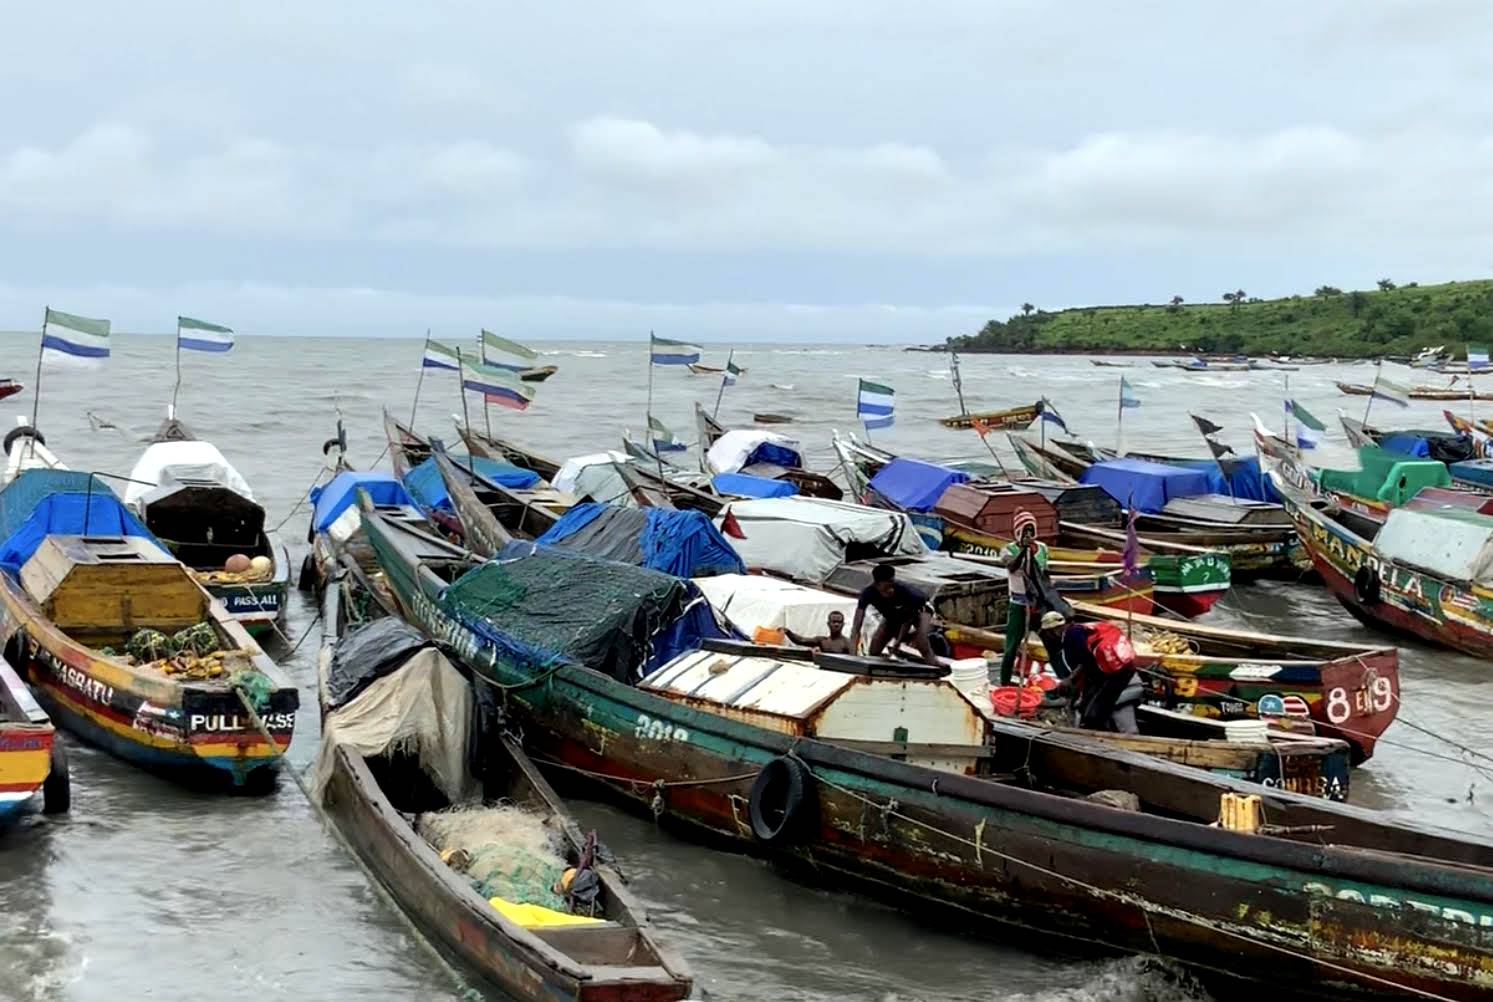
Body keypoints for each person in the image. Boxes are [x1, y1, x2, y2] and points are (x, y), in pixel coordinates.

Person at [1035, 611, 1140, 733]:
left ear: (1052, 631)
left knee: (1093, 714)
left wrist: (1070, 679)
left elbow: (1086, 660)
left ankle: (1096, 736)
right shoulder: (1081, 629)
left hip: (1115, 675)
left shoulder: (1071, 636)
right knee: (1088, 705)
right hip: (1116, 670)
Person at [992, 509, 1049, 685]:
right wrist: (1023, 550)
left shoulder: (1043, 549)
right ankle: (1004, 682)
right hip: (1018, 603)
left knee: (1052, 643)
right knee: (1011, 648)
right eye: (1025, 531)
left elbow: (1046, 574)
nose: (1029, 534)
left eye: (1031, 530)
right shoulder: (1007, 550)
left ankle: (1060, 682)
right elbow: (1011, 566)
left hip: (1038, 604)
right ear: (1018, 532)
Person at [849, 563, 941, 667]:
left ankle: (935, 663)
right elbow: (856, 627)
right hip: (893, 614)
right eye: (887, 586)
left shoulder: (907, 593)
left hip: (921, 609)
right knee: (875, 646)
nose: (890, 589)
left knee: (921, 641)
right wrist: (852, 657)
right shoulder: (867, 594)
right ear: (877, 584)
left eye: (892, 584)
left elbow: (908, 619)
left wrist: (898, 642)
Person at [783, 611, 854, 655]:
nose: (836, 624)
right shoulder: (822, 641)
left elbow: (854, 662)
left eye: (839, 622)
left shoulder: (847, 643)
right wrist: (788, 632)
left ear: (843, 624)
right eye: (834, 622)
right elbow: (801, 640)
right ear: (828, 624)